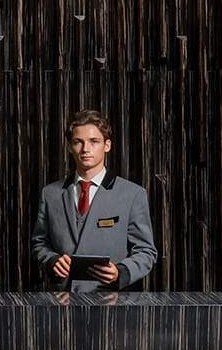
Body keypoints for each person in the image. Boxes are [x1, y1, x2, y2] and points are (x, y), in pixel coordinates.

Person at [30, 109, 158, 292]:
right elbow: (39, 243)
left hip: (111, 300)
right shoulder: (50, 194)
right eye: (78, 142)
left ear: (107, 145)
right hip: (61, 300)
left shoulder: (133, 194)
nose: (85, 149)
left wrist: (120, 272)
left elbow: (146, 251)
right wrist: (51, 261)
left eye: (94, 141)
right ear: (70, 147)